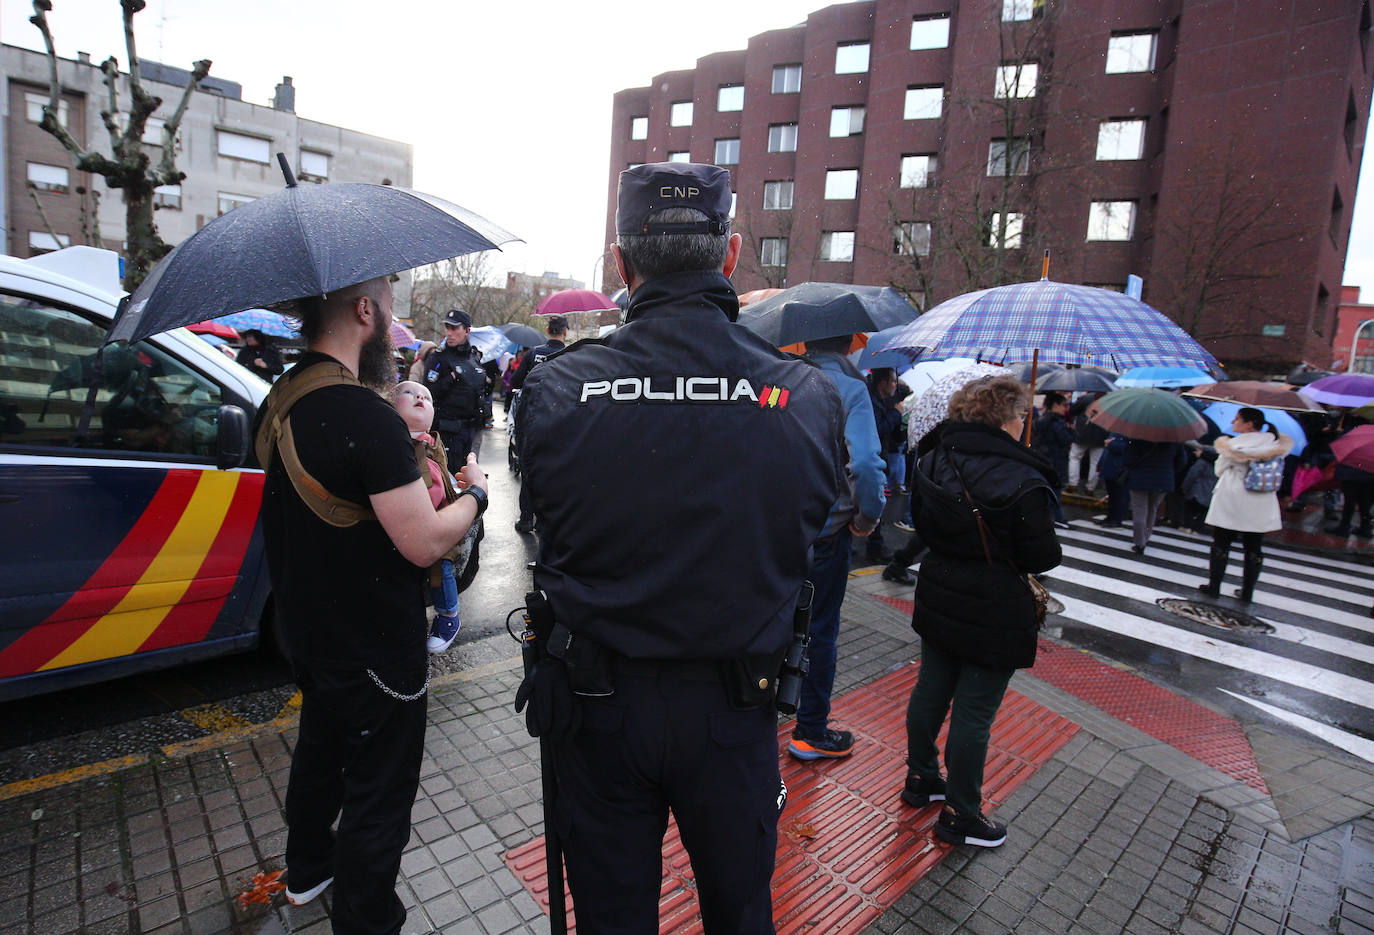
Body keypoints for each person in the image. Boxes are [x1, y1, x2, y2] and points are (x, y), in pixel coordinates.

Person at [514, 162, 846, 934]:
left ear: (622, 265)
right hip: (735, 714)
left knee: (612, 917)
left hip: (598, 711)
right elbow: (820, 522)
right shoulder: (805, 395)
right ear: (729, 255)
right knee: (739, 914)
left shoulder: (558, 388)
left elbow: (544, 524)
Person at [255, 277, 488, 935]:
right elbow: (423, 540)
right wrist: (477, 498)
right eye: (387, 305)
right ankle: (368, 919)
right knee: (379, 793)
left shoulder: (283, 397)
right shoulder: (366, 417)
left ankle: (306, 871)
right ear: (364, 312)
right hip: (375, 646)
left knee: (321, 751)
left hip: (309, 632)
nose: (392, 319)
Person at [901, 374, 1061, 848]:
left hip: (939, 585)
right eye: (1020, 414)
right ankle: (961, 814)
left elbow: (922, 524)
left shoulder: (932, 457)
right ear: (1003, 418)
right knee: (974, 709)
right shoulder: (1021, 477)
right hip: (994, 603)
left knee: (931, 687)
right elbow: (1042, 556)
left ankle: (921, 778)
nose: (1023, 421)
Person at [790, 334, 886, 761]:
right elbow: (865, 464)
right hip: (827, 532)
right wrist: (866, 518)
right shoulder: (849, 389)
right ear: (850, 343)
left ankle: (754, 718)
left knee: (770, 622)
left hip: (775, 530)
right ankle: (809, 731)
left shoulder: (782, 377)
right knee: (819, 630)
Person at [390, 380, 472, 654]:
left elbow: (439, 483)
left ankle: (449, 616)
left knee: (441, 567)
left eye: (426, 396)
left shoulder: (430, 444)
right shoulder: (391, 441)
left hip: (439, 521)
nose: (419, 398)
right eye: (408, 393)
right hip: (408, 521)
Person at [1199, 408, 1295, 601]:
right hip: (1261, 499)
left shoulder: (1233, 446)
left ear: (1249, 424)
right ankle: (1248, 590)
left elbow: (1219, 470)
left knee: (1221, 542)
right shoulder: (1275, 446)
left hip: (1232, 497)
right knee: (1254, 546)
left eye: (1237, 420)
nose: (1234, 423)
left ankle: (1214, 586)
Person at [510, 315, 569, 533]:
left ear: (547, 330)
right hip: (558, 416)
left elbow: (515, 381)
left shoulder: (533, 354)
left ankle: (526, 518)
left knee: (528, 466)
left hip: (530, 415)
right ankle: (546, 521)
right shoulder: (570, 354)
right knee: (553, 468)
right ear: (565, 333)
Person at [419, 309, 489, 461]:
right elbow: (428, 394)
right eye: (447, 328)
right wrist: (449, 379)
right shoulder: (438, 358)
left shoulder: (473, 357)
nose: (449, 333)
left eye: (454, 328)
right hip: (447, 431)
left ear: (467, 331)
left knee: (467, 477)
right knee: (450, 478)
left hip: (471, 431)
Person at [1122, 438, 1188, 554]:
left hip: (1140, 478)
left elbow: (1128, 459)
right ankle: (1146, 538)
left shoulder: (1139, 437)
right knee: (1153, 509)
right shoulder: (1175, 440)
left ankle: (1139, 542)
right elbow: (1181, 462)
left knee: (1139, 510)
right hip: (1163, 479)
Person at [1033, 392, 1073, 527]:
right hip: (1056, 460)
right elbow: (1065, 440)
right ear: (1055, 405)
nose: (1065, 408)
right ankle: (1058, 517)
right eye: (1064, 405)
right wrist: (1071, 430)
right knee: (1055, 491)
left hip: (1042, 459)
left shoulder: (1040, 420)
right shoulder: (1058, 423)